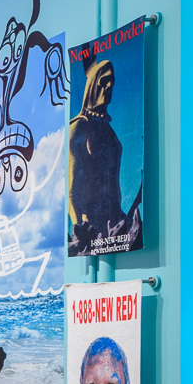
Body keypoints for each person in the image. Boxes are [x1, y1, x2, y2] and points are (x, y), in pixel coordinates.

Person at [68, 59, 126, 252]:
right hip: (90, 227)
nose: (109, 86)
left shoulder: (109, 132)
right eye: (105, 80)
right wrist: (79, 229)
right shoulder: (79, 126)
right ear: (93, 84)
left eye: (113, 82)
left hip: (116, 220)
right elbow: (72, 188)